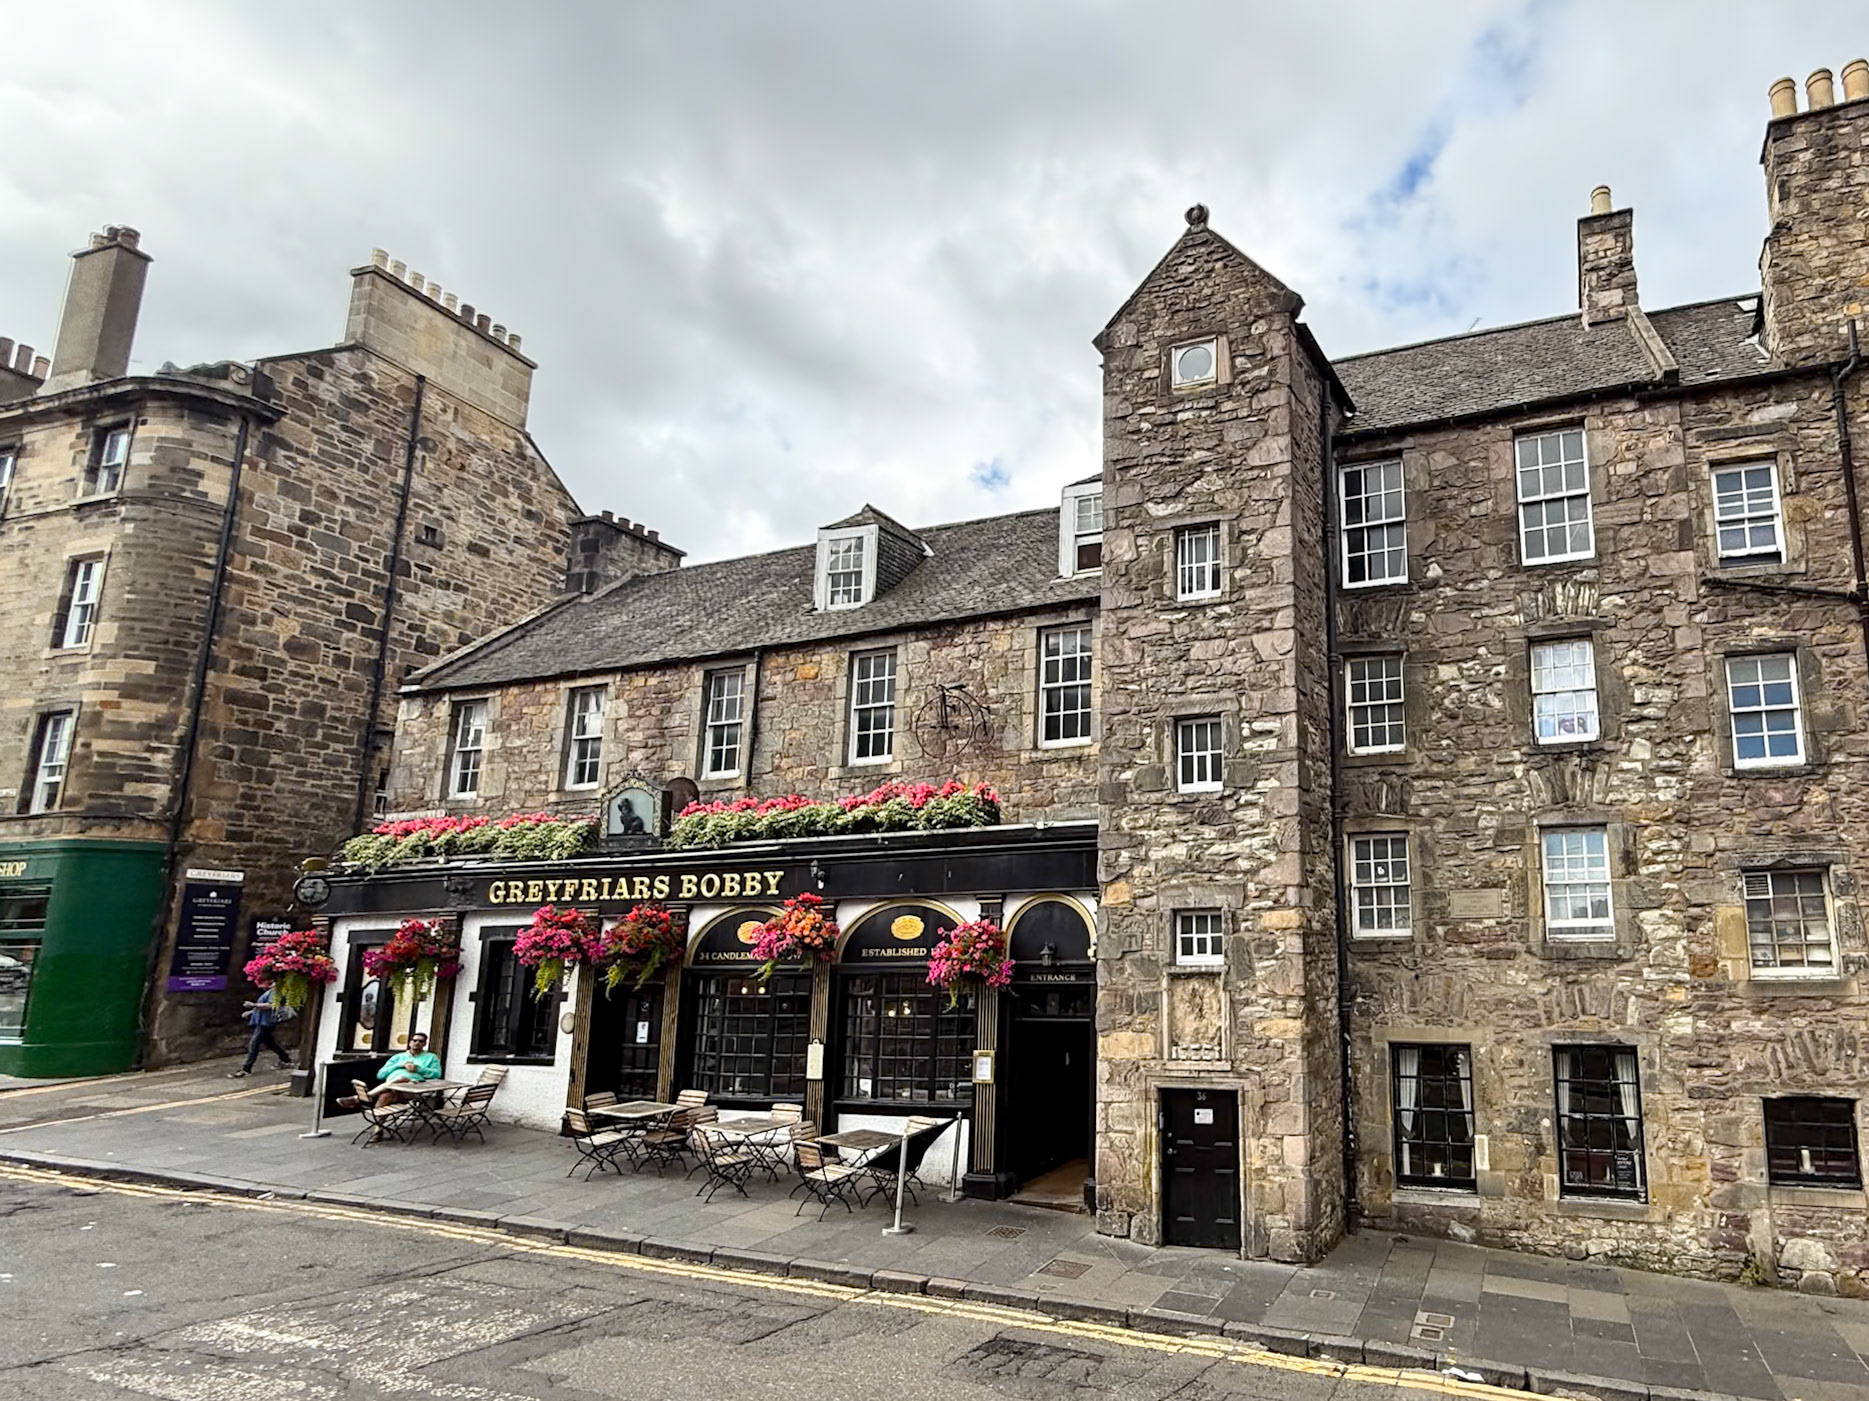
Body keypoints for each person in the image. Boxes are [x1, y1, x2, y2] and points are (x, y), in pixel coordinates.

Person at [337, 1031, 442, 1111]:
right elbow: (380, 1075)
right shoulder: (398, 1057)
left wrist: (418, 1069)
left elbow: (437, 1074)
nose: (417, 1043)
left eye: (421, 1041)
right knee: (384, 1098)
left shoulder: (431, 1057)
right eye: (415, 1040)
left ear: (424, 1044)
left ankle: (364, 1097)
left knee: (401, 1078)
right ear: (410, 1042)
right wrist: (399, 1065)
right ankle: (378, 1131)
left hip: (412, 1090)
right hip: (391, 1089)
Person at [228, 984, 293, 1078]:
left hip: (265, 1022)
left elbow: (271, 1005)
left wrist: (253, 1005)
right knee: (270, 1043)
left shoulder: (275, 992)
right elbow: (263, 1007)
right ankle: (285, 1060)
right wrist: (250, 1012)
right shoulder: (270, 992)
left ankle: (246, 1069)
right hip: (262, 1021)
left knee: (253, 1045)